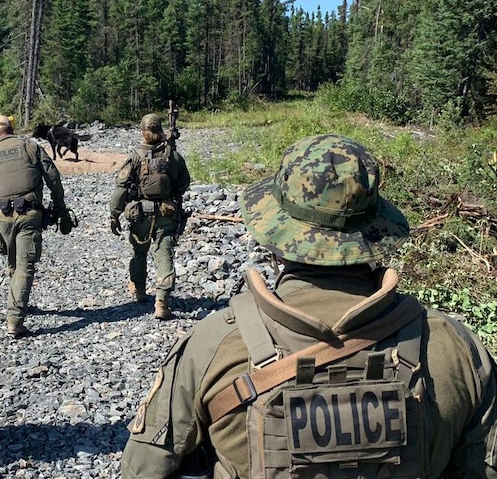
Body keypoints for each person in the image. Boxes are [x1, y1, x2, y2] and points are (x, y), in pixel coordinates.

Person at [120, 134, 497, 479]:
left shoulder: (212, 345)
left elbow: (144, 470)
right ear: (376, 230)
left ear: (274, 237)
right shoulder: (458, 349)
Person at [0, 114, 70, 338]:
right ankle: (15, 320)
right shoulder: (31, 146)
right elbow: (53, 178)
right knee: (25, 266)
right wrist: (61, 209)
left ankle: (19, 303)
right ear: (12, 129)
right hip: (29, 215)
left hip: (3, 218)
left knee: (14, 261)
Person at [109, 113, 191, 320]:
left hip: (140, 214)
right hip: (167, 213)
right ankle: (162, 301)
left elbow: (121, 188)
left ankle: (139, 290)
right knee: (164, 254)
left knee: (140, 252)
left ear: (142, 133)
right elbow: (184, 182)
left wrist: (114, 214)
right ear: (160, 131)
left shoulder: (135, 156)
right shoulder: (172, 155)